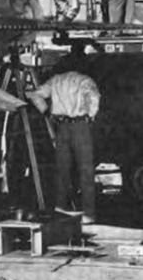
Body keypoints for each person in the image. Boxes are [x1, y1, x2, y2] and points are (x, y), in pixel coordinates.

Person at [26, 70, 101, 224]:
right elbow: (94, 97)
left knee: (62, 169)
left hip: (61, 126)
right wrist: (91, 115)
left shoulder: (56, 80)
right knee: (86, 170)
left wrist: (46, 111)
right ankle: (88, 213)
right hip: (80, 125)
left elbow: (35, 95)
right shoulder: (85, 80)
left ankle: (60, 208)